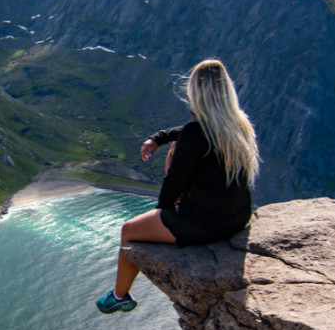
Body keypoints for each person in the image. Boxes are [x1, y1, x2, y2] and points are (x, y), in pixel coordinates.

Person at [97, 58, 260, 314]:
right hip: (237, 219)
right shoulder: (240, 125)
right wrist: (159, 137)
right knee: (177, 143)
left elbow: (176, 180)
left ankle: (119, 296)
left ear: (195, 93)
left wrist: (162, 211)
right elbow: (191, 132)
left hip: (203, 225)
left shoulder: (195, 135)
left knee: (128, 229)